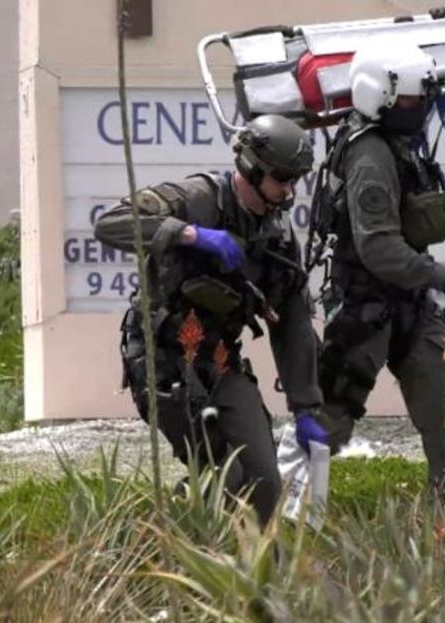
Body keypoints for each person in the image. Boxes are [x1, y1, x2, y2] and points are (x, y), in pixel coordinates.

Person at [94, 114, 327, 524]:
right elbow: (110, 224)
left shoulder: (277, 235)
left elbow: (292, 322)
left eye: (296, 179)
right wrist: (191, 235)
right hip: (164, 362)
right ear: (252, 167)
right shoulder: (197, 198)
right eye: (282, 178)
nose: (290, 190)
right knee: (226, 475)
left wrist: (306, 407)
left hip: (220, 361)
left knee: (264, 479)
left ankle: (259, 579)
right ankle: (165, 538)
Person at [308, 44, 445, 492]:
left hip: (410, 307)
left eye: (421, 97)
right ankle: (277, 525)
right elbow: (379, 248)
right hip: (364, 310)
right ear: (377, 96)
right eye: (408, 98)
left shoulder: (399, 147)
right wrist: (443, 279)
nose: (418, 106)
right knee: (325, 430)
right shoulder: (370, 156)